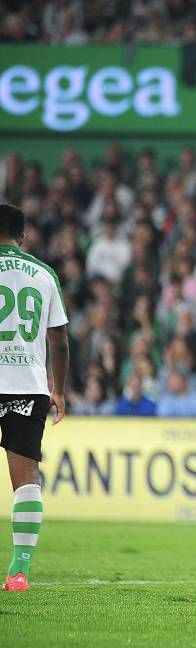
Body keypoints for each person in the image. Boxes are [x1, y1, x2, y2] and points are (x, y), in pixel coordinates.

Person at [0, 204, 69, 592]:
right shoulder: (43, 274)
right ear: (22, 238)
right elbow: (58, 340)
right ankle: (18, 572)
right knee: (26, 481)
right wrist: (58, 389)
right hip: (27, 385)